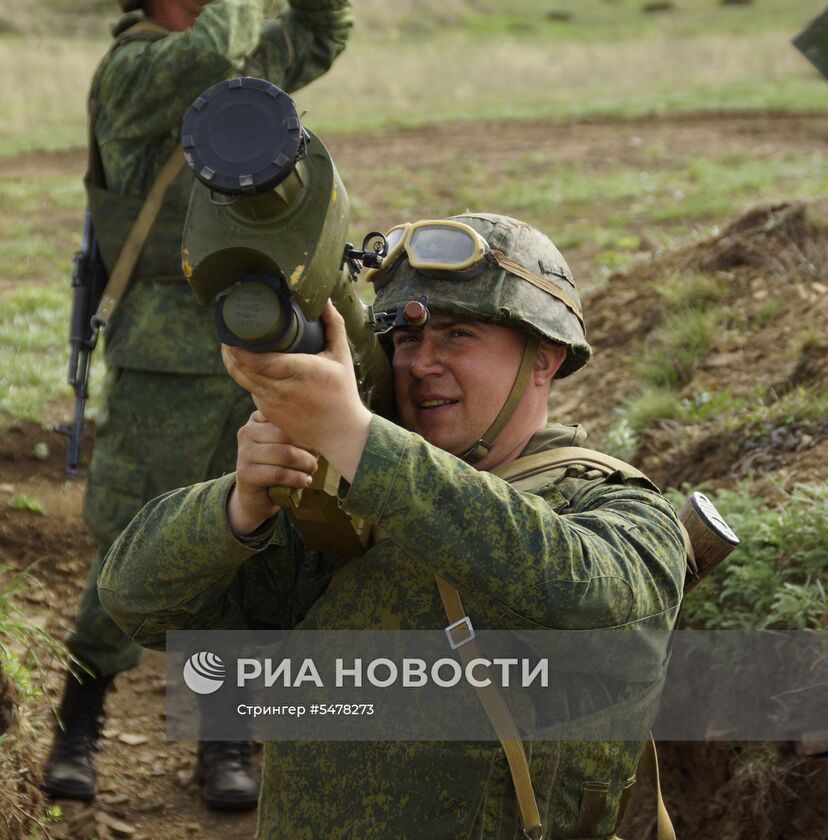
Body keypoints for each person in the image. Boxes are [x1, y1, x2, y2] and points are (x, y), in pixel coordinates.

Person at [98, 214, 687, 838]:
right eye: (406, 340)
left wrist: (358, 440)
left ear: (544, 358)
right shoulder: (351, 511)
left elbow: (579, 599)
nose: (422, 364)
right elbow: (142, 606)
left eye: (459, 335)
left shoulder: (621, 512)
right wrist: (240, 506)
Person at [43, 0, 354, 808]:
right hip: (164, 356)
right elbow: (209, 52)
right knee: (133, 536)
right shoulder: (137, 71)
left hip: (259, 338)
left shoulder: (234, 48)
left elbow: (326, 34)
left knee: (251, 535)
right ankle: (76, 726)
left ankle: (224, 740)